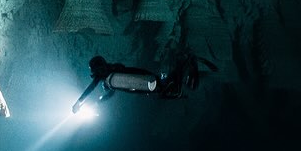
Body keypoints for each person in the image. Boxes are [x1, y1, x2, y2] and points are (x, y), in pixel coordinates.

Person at [71, 51, 217, 113]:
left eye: (96, 71)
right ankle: (184, 63)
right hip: (148, 80)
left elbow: (92, 87)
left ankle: (185, 61)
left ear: (97, 70)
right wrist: (99, 101)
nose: (96, 75)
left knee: (170, 91)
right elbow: (110, 93)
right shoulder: (113, 72)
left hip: (148, 84)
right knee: (172, 90)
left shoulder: (109, 77)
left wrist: (79, 103)